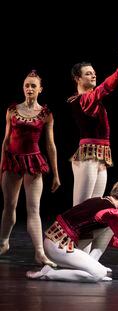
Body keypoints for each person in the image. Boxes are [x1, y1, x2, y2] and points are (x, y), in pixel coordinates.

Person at [25, 179, 118, 282]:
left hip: (54, 241)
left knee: (109, 229)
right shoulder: (113, 213)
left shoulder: (99, 200)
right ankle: (49, 274)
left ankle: (92, 265)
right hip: (60, 246)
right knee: (98, 274)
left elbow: (109, 239)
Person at [67, 48, 118, 258]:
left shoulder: (93, 100)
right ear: (77, 78)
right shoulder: (82, 100)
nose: (93, 75)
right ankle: (71, 254)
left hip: (100, 157)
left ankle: (84, 258)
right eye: (88, 73)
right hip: (86, 157)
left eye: (94, 72)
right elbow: (105, 88)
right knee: (81, 208)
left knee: (96, 210)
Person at [0, 70, 60, 267]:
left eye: (33, 85)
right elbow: (6, 140)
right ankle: (3, 242)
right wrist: (2, 165)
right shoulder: (12, 110)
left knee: (34, 209)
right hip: (13, 161)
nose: (29, 88)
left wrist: (56, 174)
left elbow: (50, 145)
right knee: (9, 205)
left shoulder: (45, 113)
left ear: (40, 89)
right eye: (27, 85)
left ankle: (40, 253)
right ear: (23, 87)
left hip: (33, 162)